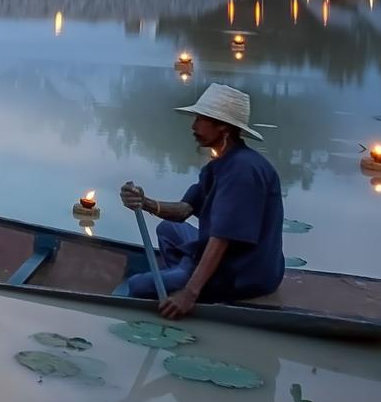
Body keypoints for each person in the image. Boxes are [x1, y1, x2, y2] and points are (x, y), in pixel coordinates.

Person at [120, 83, 285, 319]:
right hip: (226, 257)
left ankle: (185, 279)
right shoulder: (220, 165)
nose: (193, 126)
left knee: (137, 286)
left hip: (244, 273)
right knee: (168, 229)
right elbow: (183, 211)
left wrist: (189, 292)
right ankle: (181, 273)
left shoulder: (242, 171)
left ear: (223, 128)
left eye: (201, 119)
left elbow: (222, 238)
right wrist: (144, 202)